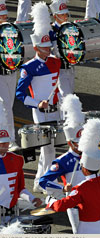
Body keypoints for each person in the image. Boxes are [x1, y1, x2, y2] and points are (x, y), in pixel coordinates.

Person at [46, 118, 100, 234]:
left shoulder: (81, 189)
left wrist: (50, 203)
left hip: (84, 227)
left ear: (83, 168)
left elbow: (62, 205)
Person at [16, 2, 61, 193]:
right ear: (35, 47)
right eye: (43, 48)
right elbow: (20, 94)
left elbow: (55, 37)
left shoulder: (56, 62)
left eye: (48, 47)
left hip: (56, 110)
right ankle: (47, 183)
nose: (47, 50)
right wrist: (37, 103)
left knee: (50, 147)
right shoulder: (29, 68)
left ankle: (39, 180)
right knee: (48, 148)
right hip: (41, 112)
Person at [39, 94, 86, 234]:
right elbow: (44, 181)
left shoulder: (90, 155)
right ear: (70, 143)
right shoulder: (63, 161)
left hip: (92, 202)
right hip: (75, 204)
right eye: (78, 142)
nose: (82, 144)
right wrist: (63, 188)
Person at [0, 98, 42, 225]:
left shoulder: (16, 160)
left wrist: (32, 199)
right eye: (2, 143)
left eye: (7, 142)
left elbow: (20, 189)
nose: (5, 145)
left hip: (11, 214)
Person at [0, 1, 20, 152]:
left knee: (9, 106)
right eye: (1, 16)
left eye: (5, 15)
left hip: (11, 73)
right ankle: (10, 139)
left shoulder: (11, 30)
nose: (4, 18)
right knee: (5, 108)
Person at [49, 0, 76, 97]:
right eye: (62, 14)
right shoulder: (50, 31)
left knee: (70, 93)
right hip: (59, 68)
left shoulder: (71, 28)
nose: (66, 16)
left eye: (66, 14)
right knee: (65, 95)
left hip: (70, 66)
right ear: (55, 16)